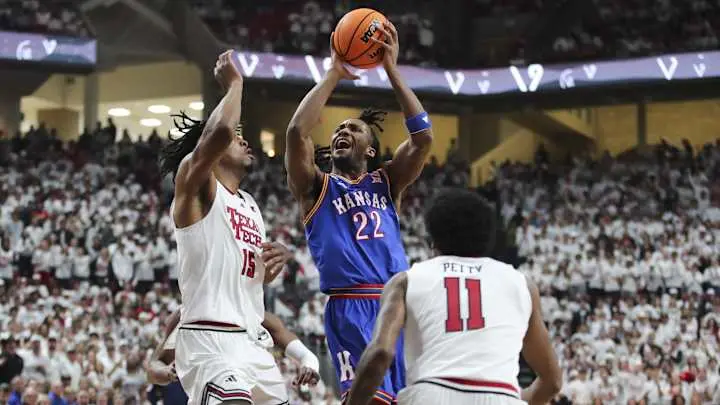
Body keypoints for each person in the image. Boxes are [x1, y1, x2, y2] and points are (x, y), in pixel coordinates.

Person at [285, 22, 433, 404]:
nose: (342, 132)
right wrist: (333, 73)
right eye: (337, 129)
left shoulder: (387, 182)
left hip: (397, 303)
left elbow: (423, 139)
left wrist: (392, 71)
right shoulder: (315, 187)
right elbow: (297, 133)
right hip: (350, 306)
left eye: (353, 129)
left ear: (370, 150)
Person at [158, 50, 293, 405]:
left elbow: (240, 276)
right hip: (209, 337)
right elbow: (218, 132)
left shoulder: (250, 204)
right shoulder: (195, 184)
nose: (244, 140)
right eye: (237, 137)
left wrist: (270, 265)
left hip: (251, 342)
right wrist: (235, 85)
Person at [345, 189, 563, 405]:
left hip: (431, 394)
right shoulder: (522, 285)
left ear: (433, 240)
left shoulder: (405, 281)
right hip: (501, 395)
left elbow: (381, 353)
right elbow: (552, 382)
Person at [146, 309, 320, 405]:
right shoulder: (187, 314)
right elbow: (153, 366)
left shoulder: (256, 313)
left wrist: (310, 365)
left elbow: (304, 354)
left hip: (262, 386)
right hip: (217, 386)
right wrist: (166, 371)